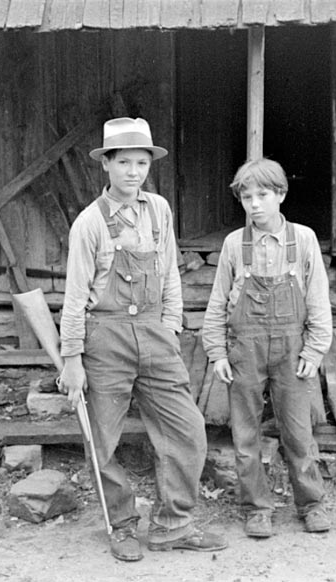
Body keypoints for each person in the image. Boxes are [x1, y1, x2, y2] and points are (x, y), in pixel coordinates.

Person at [58, 117, 227, 562]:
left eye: (141, 163)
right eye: (124, 162)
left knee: (187, 429)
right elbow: (75, 297)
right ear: (106, 166)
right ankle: (123, 525)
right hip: (105, 338)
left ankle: (174, 525)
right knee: (103, 439)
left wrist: (171, 324)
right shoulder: (89, 224)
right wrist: (71, 358)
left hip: (155, 333)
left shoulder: (158, 209)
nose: (133, 172)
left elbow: (170, 271)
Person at [202, 158, 333, 538]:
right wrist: (217, 352)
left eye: (263, 195)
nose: (254, 204)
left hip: (292, 349)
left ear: (281, 194)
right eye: (247, 197)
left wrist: (314, 350)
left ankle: (311, 503)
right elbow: (217, 302)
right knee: (245, 435)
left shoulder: (303, 239)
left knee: (298, 432)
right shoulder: (233, 244)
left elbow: (319, 300)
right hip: (245, 348)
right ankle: (256, 507)